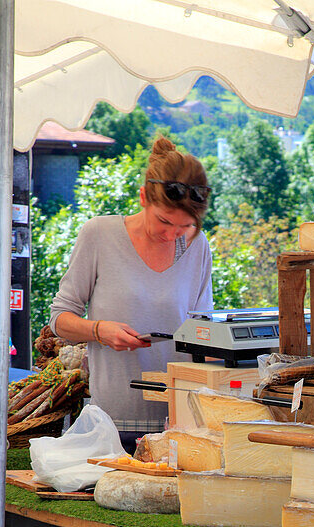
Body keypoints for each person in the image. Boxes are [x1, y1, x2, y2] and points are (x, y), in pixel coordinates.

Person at [50, 135, 213, 450]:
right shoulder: (98, 234)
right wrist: (99, 330)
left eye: (185, 226)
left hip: (178, 424)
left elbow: (202, 331)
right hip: (109, 425)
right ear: (143, 198)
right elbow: (60, 320)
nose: (172, 235)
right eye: (164, 221)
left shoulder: (198, 246)